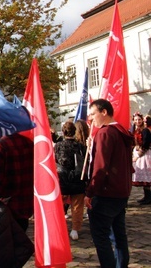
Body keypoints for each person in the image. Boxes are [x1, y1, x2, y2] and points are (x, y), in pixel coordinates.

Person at [84, 99, 133, 268]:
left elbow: (101, 167)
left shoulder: (105, 133)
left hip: (106, 193)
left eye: (93, 114)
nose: (90, 119)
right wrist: (93, 147)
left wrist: (90, 192)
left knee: (101, 237)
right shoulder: (121, 131)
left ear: (103, 112)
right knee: (119, 236)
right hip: (121, 191)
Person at [0, 132, 34, 232]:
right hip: (25, 205)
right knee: (20, 242)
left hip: (6, 208)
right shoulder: (29, 143)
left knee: (4, 245)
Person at [54, 121, 87, 240]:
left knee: (59, 204)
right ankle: (75, 230)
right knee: (77, 206)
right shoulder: (81, 146)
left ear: (63, 132)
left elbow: (55, 161)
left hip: (62, 179)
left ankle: (58, 226)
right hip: (78, 179)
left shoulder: (58, 146)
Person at [133, 114, 151, 205]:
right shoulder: (136, 130)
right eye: (136, 120)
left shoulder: (145, 130)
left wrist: (138, 154)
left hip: (145, 155)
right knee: (145, 177)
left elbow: (146, 144)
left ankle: (148, 197)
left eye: (139, 119)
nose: (137, 121)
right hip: (139, 153)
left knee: (147, 176)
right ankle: (147, 196)